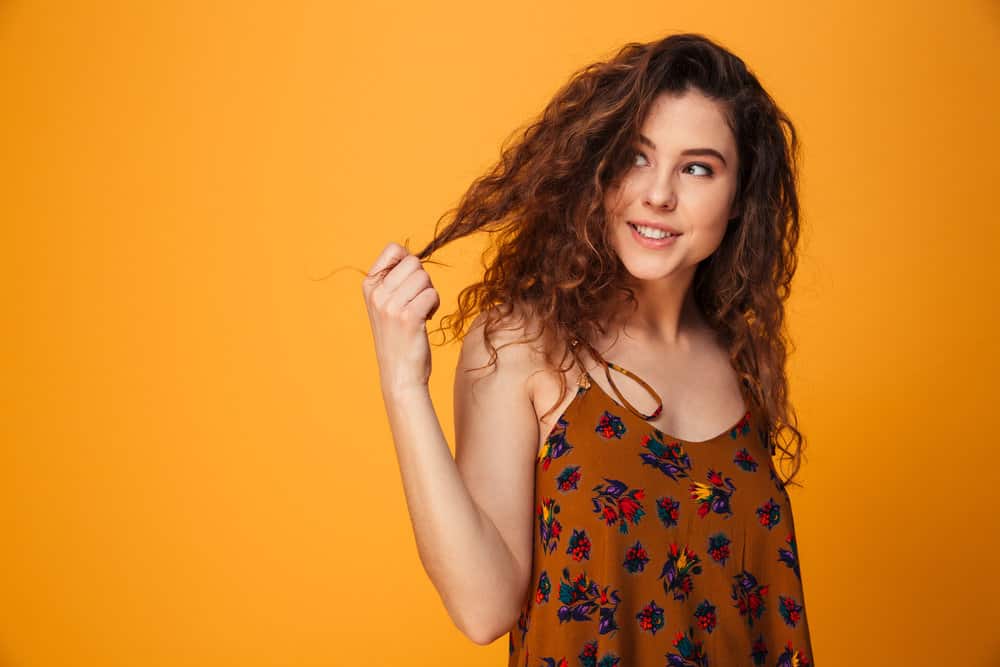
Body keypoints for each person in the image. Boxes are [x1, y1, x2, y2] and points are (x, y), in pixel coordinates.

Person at [361, 32, 814, 666]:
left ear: (739, 197)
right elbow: (483, 608)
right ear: (599, 167)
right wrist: (403, 386)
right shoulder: (524, 344)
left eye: (696, 167)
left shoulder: (742, 356)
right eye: (636, 156)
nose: (658, 193)